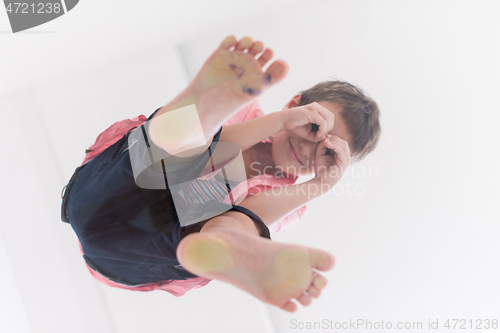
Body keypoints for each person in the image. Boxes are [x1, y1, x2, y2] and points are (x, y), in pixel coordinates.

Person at [61, 36, 381, 313]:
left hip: (144, 251)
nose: (311, 148)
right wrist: (280, 121)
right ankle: (203, 108)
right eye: (315, 128)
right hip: (115, 184)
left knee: (237, 221)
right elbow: (206, 160)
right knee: (179, 149)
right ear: (296, 106)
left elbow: (252, 213)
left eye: (328, 152)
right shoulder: (245, 113)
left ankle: (230, 247)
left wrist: (319, 185)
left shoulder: (293, 201)